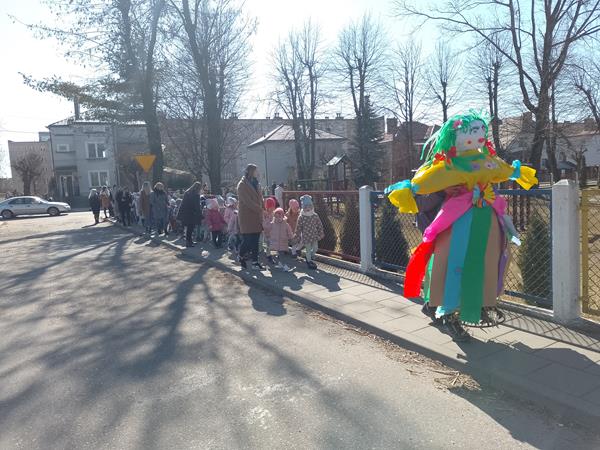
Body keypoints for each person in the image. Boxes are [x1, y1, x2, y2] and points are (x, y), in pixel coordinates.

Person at [385, 111, 537, 341]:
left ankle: (473, 303)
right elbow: (424, 185)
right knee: (452, 262)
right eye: (472, 131)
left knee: (486, 259)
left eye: (481, 130)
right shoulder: (447, 164)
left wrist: (516, 172)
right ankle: (446, 311)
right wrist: (412, 189)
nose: (479, 135)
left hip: (486, 218)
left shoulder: (486, 160)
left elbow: (502, 170)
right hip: (454, 220)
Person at [237, 164, 265, 270]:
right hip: (247, 216)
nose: (257, 173)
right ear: (251, 171)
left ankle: (255, 262)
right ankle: (241, 255)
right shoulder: (242, 185)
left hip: (256, 216)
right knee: (247, 240)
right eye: (256, 171)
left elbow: (260, 197)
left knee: (255, 240)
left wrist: (264, 206)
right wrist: (260, 209)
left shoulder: (256, 183)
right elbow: (247, 201)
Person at [295, 195, 324, 270]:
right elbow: (298, 227)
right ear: (303, 207)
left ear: (312, 206)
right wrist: (297, 235)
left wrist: (321, 232)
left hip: (314, 235)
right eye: (306, 207)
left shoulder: (315, 215)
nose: (308, 208)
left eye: (309, 206)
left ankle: (310, 256)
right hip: (306, 236)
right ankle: (308, 261)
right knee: (308, 249)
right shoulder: (301, 217)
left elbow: (319, 225)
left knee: (315, 248)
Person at [178, 181, 203, 247]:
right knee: (190, 228)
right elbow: (197, 206)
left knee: (189, 228)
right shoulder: (196, 194)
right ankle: (188, 242)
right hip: (192, 213)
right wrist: (200, 215)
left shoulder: (187, 192)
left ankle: (189, 241)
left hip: (185, 212)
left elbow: (183, 203)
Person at [262, 197, 277, 263]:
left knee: (272, 243)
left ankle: (272, 254)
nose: (272, 208)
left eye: (273, 207)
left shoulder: (273, 213)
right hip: (267, 232)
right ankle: (268, 256)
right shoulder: (265, 214)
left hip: (273, 232)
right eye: (271, 207)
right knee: (268, 244)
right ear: (267, 207)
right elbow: (264, 223)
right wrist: (270, 224)